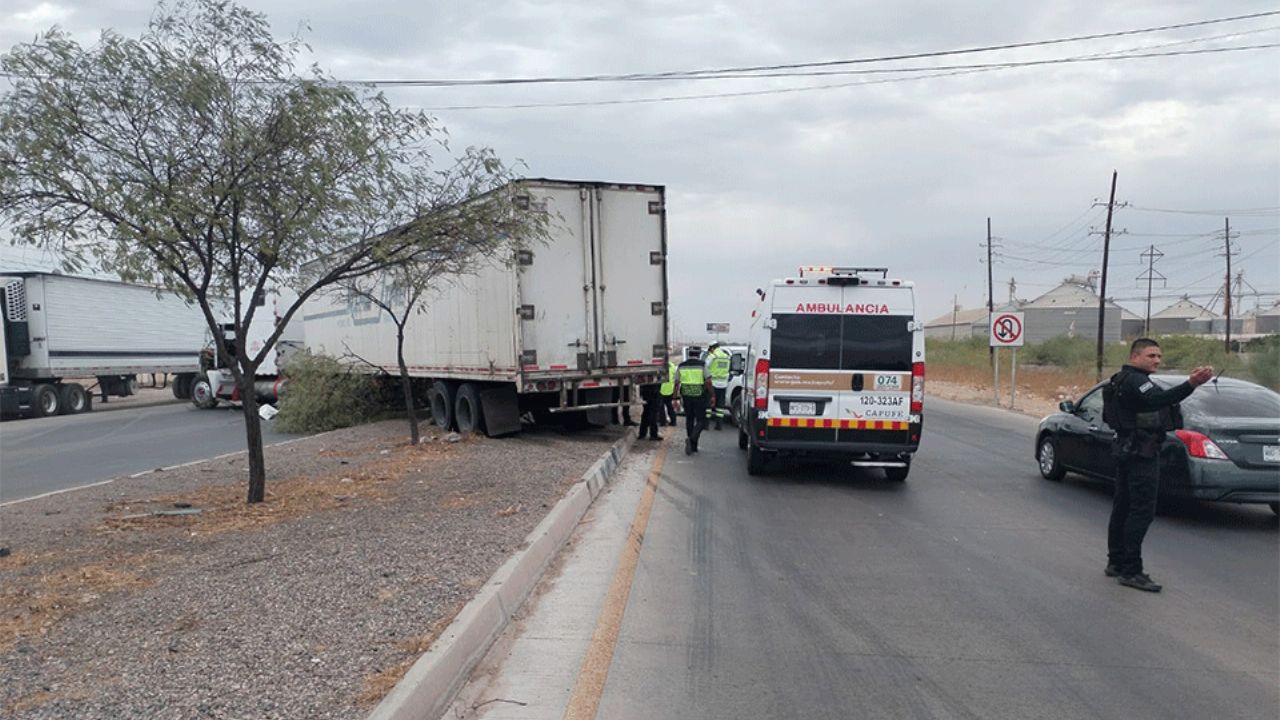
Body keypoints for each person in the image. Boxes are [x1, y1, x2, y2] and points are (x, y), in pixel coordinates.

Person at [1103, 337, 1213, 593]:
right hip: (1141, 452)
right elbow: (1155, 401)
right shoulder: (1136, 381)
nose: (1157, 360)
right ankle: (1131, 570)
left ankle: (1116, 562)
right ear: (1135, 357)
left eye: (1159, 357)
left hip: (1128, 449)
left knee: (1123, 506)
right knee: (1141, 510)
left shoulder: (1122, 378)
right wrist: (1191, 384)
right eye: (1151, 356)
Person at [673, 346, 715, 455]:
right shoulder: (702, 365)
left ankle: (692, 446)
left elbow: (676, 383)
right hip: (699, 396)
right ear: (698, 354)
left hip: (686, 396)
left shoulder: (681, 366)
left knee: (689, 419)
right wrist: (712, 395)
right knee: (701, 420)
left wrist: (675, 398)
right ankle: (692, 440)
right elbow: (708, 382)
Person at [705, 342, 731, 431]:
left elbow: (705, 367)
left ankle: (706, 424)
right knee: (720, 405)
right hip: (723, 384)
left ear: (712, 348)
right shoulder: (726, 356)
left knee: (708, 404)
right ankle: (719, 424)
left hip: (712, 383)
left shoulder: (713, 356)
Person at [659, 358, 678, 426]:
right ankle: (673, 421)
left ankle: (662, 422)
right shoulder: (672, 365)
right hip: (671, 389)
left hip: (662, 389)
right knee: (670, 406)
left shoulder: (661, 366)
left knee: (661, 407)